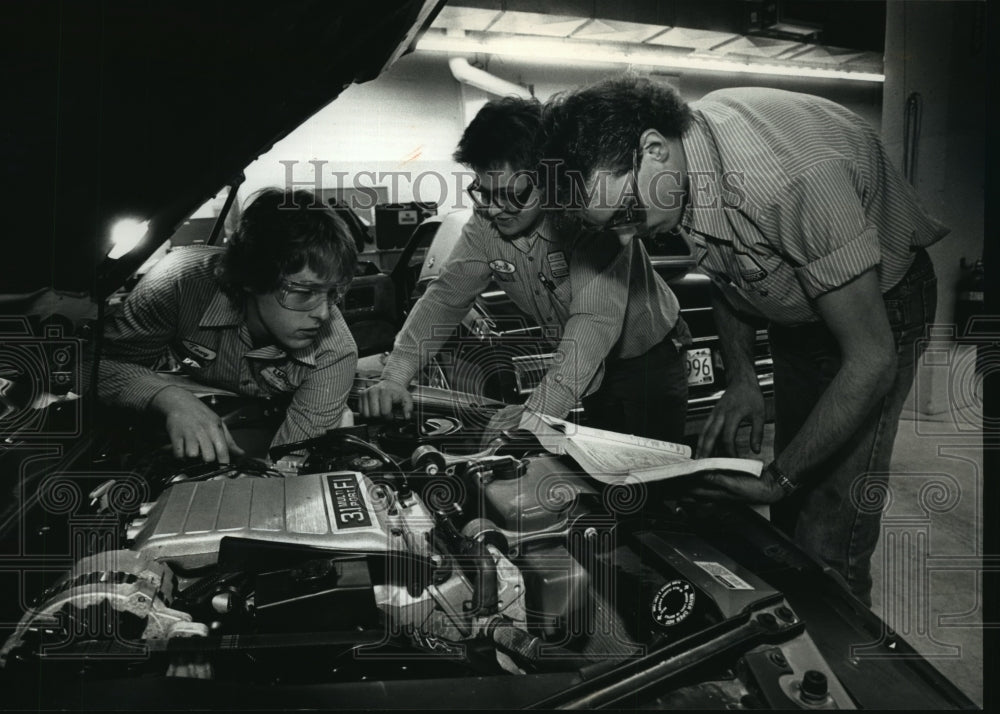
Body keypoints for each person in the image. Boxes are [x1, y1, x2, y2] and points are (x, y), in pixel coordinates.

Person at [541, 77, 948, 605]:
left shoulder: (791, 182)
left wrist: (780, 477)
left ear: (653, 148)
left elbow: (870, 361)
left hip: (881, 309)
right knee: (788, 523)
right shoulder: (681, 168)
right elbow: (730, 272)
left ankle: (834, 672)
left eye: (626, 215)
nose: (626, 236)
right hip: (793, 304)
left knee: (827, 534)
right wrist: (743, 378)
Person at [360, 96, 691, 443]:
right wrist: (395, 376)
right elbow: (444, 299)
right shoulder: (484, 227)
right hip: (590, 366)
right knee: (602, 471)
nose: (495, 209)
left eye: (512, 195)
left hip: (648, 356)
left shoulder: (586, 219)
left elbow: (593, 320)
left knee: (651, 472)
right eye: (483, 193)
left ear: (549, 179)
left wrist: (536, 414)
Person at [96, 188, 359, 463]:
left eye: (332, 294)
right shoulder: (178, 284)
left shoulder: (335, 352)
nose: (324, 314)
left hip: (276, 421)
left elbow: (288, 464)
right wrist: (167, 397)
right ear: (252, 277)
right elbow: (92, 365)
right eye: (304, 292)